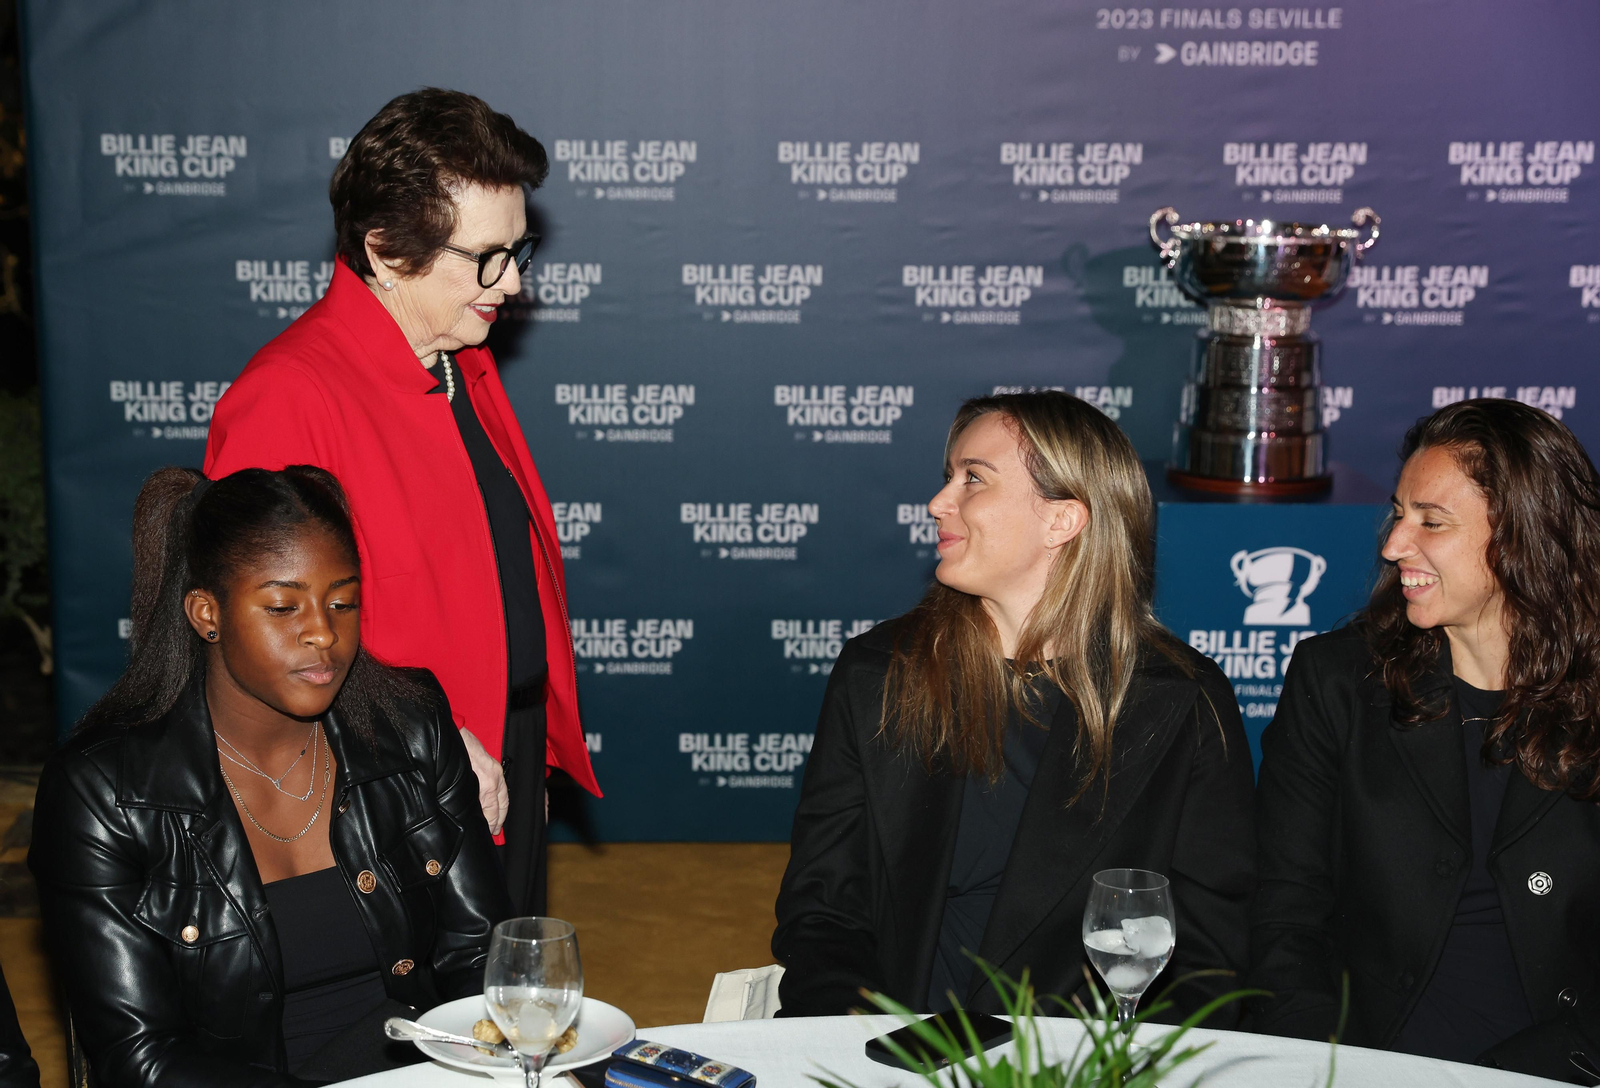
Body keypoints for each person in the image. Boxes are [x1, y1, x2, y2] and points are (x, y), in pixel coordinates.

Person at [204, 88, 598, 914]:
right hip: (384, 777)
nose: (513, 282)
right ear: (385, 249)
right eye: (487, 257)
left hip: (501, 747)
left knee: (497, 1013)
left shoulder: (460, 354)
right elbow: (269, 639)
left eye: (519, 250)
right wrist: (437, 741)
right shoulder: (289, 395)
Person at [772, 391, 1255, 1019]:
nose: (939, 503)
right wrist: (851, 1035)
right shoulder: (881, 674)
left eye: (973, 478)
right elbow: (823, 906)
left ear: (1062, 520)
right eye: (948, 477)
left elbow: (1211, 949)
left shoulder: (1182, 702)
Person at [29, 467, 510, 1087]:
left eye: (343, 601)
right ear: (208, 613)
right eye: (284, 607)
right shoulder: (105, 794)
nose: (323, 632)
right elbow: (139, 1058)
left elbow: (484, 958)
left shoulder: (410, 726)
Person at [1248, 399, 1600, 1081]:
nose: (1393, 544)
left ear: (1525, 537)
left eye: (1431, 523)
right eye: (1399, 513)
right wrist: (1326, 1068)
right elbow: (1281, 916)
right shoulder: (1339, 682)